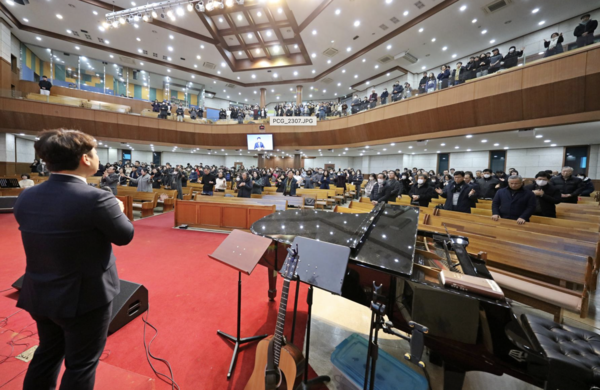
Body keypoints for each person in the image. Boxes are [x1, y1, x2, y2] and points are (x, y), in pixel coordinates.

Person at [13, 129, 134, 390]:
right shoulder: (98, 198)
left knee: (47, 354)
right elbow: (125, 236)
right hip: (85, 297)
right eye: (96, 152)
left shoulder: (26, 196)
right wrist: (119, 210)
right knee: (81, 364)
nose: (98, 157)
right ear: (85, 159)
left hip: (40, 291)